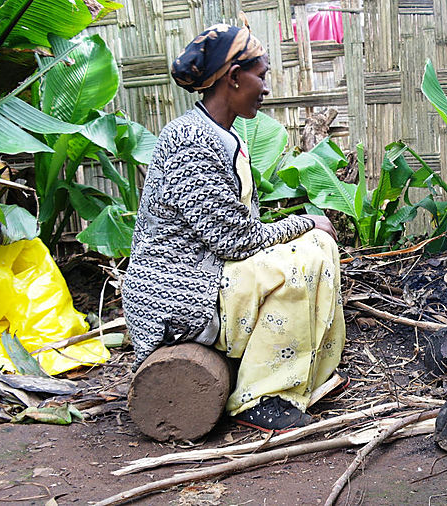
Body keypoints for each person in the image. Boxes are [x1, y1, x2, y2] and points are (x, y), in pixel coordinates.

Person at [122, 20, 346, 432]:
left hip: (208, 275)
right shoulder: (190, 140)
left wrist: (307, 228)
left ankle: (301, 377)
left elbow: (238, 233)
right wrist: (303, 221)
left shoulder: (221, 135)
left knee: (318, 246)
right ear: (233, 77)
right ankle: (258, 399)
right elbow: (234, 240)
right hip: (179, 294)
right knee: (301, 263)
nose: (266, 88)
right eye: (261, 76)